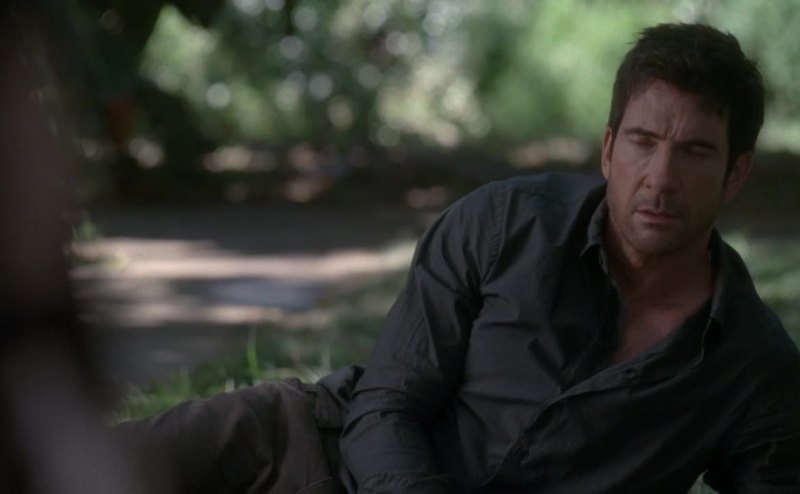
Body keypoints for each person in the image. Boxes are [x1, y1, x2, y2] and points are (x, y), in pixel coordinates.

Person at [120, 23, 800, 493]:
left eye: (695, 152)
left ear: (735, 174)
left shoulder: (752, 366)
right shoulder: (503, 224)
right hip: (303, 449)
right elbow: (386, 407)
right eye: (643, 142)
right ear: (607, 150)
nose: (661, 178)